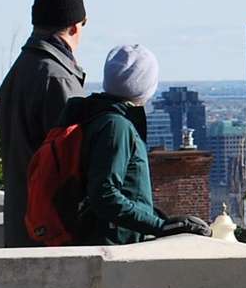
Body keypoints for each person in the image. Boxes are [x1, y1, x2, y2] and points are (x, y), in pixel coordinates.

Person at [63, 44, 209, 245]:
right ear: (146, 85)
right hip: (114, 244)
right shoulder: (117, 126)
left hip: (110, 239)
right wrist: (159, 226)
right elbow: (104, 195)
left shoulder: (98, 117)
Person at [0, 0, 89, 248]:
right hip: (50, 232)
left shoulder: (19, 71)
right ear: (74, 26)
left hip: (21, 226)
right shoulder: (57, 79)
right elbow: (73, 163)